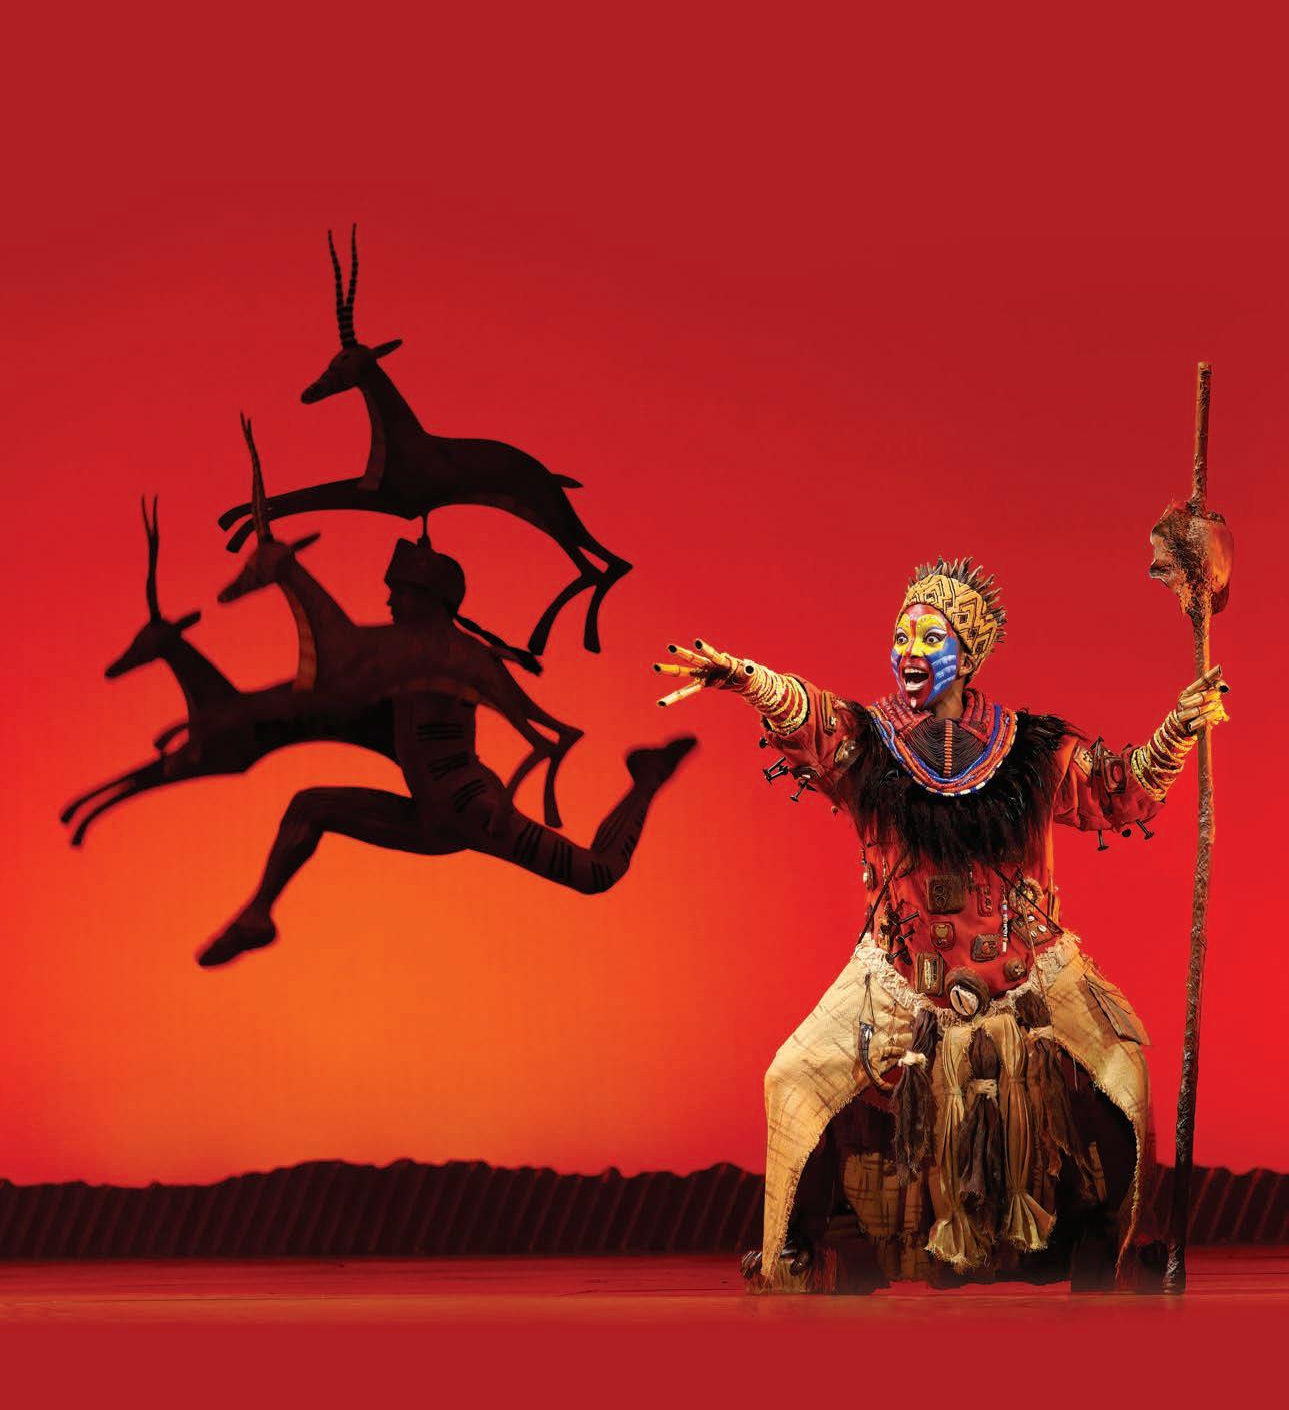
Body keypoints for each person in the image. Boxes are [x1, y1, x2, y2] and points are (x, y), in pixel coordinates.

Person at [654, 556, 1228, 1292]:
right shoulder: (868, 742)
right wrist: (744, 677)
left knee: (1126, 1074)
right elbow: (809, 714)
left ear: (969, 651)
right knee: (791, 1079)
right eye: (901, 636)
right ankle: (795, 1253)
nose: (909, 651)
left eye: (930, 637)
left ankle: (1128, 1247)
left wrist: (1178, 729)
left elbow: (1118, 791)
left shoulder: (1032, 748)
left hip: (1031, 973)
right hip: (898, 981)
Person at [198, 538, 694, 966]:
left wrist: (505, 800)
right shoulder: (407, 652)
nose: (389, 600)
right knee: (310, 806)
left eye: (400, 591)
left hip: (471, 810)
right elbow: (337, 675)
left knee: (596, 872)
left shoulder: (450, 654)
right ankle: (257, 914)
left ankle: (648, 778)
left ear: (429, 598)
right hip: (429, 814)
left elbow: (550, 735)